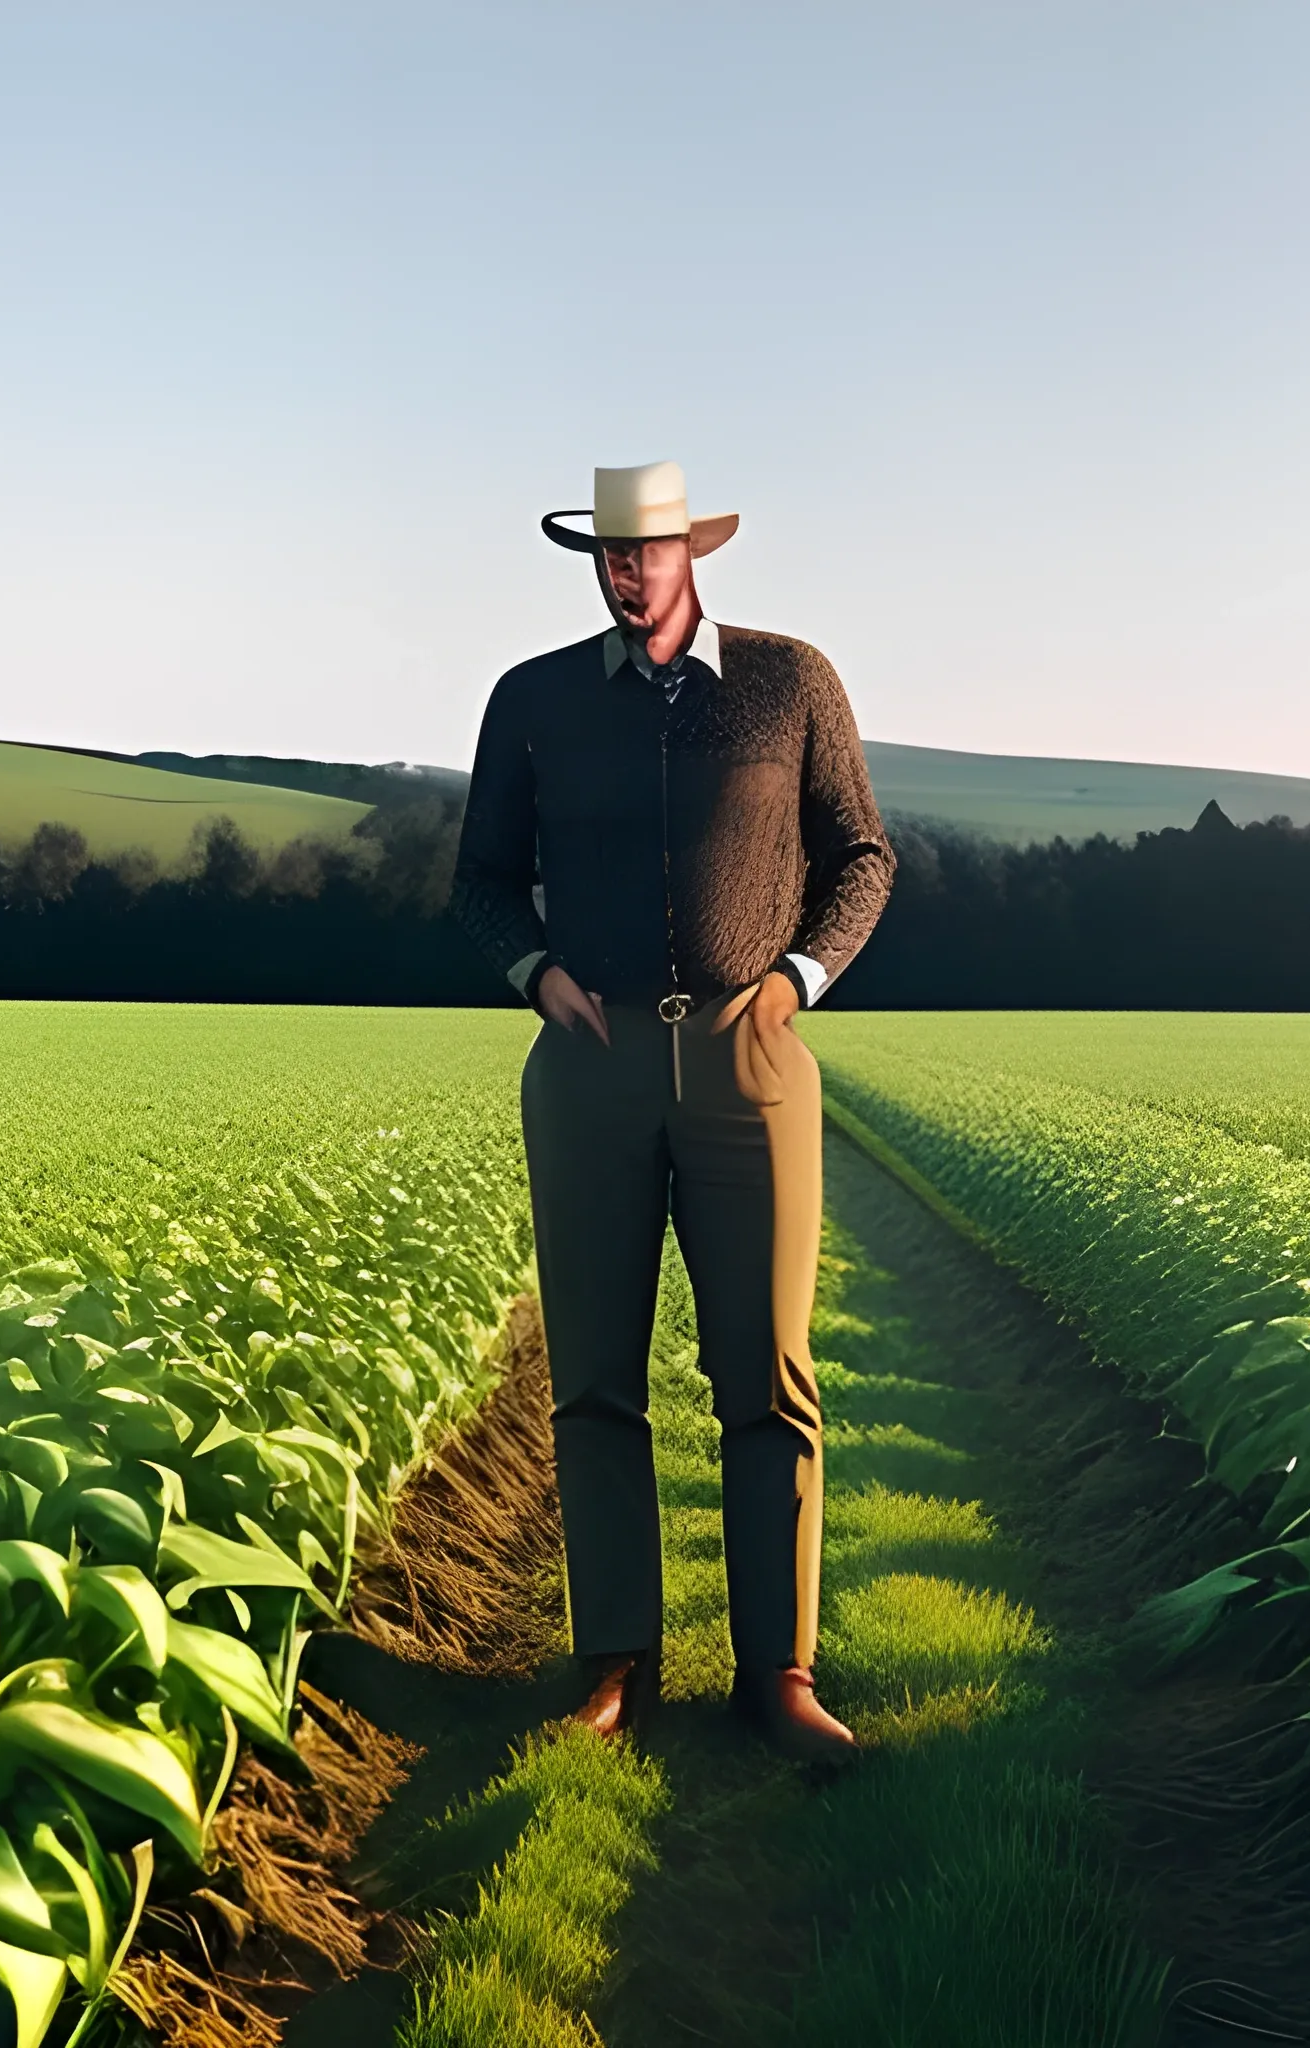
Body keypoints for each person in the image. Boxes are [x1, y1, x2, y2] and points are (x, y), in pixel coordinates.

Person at [448, 462, 894, 1763]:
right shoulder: (531, 701)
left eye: (646, 551)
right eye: (606, 552)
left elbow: (863, 854)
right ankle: (617, 1671)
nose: (624, 571)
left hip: (750, 1065)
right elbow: (481, 883)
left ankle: (781, 1673)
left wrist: (798, 980)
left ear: (692, 553)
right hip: (589, 1073)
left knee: (767, 1378)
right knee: (593, 1380)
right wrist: (534, 973)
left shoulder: (788, 681)